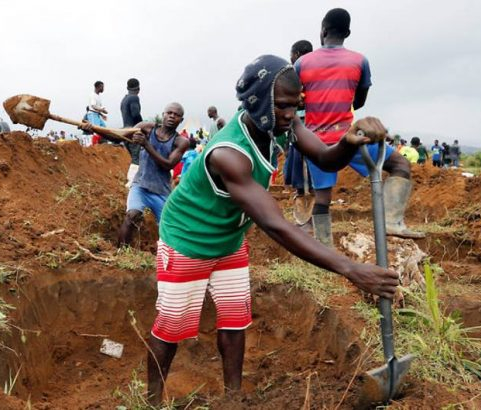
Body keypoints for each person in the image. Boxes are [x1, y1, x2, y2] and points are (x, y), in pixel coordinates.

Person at [146, 55, 399, 405]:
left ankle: (233, 398)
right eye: (281, 106)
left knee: (234, 322)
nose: (289, 114)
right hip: (188, 239)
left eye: (295, 106)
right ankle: (152, 400)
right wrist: (351, 269)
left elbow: (326, 158)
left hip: (229, 240)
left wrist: (349, 142)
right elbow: (274, 224)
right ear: (256, 100)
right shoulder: (228, 153)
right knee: (171, 327)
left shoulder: (283, 126)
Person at [296, 8, 424, 240]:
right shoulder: (359, 61)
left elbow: (297, 101)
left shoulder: (303, 63)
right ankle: (392, 223)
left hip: (317, 142)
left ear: (323, 31)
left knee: (323, 197)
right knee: (400, 165)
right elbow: (360, 101)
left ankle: (322, 243)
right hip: (350, 138)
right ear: (348, 32)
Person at [83, 103, 189, 247]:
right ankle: (121, 254)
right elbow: (117, 136)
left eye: (176, 115)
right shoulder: (146, 127)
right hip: (140, 185)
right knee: (132, 215)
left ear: (180, 120)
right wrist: (94, 129)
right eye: (169, 113)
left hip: (161, 191)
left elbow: (168, 164)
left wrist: (146, 145)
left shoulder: (181, 142)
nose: (172, 116)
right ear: (163, 114)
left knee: (169, 228)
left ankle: (171, 259)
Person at [285, 39, 315, 228]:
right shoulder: (317, 68)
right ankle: (305, 193)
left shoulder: (296, 70)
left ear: (296, 54)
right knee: (304, 162)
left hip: (303, 122)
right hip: (312, 121)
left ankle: (305, 198)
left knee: (301, 161)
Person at [121, 78, 144, 188]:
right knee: (137, 157)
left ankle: (134, 182)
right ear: (138, 88)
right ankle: (131, 183)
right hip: (133, 132)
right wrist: (143, 126)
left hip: (125, 132)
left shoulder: (124, 99)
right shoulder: (134, 98)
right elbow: (135, 114)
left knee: (135, 157)